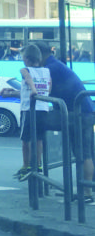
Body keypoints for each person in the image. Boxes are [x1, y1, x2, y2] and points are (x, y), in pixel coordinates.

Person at [36, 41, 95, 204]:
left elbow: (41, 91)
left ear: (40, 55)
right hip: (83, 112)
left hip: (79, 114)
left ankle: (88, 193)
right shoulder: (55, 65)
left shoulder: (50, 68)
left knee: (84, 154)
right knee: (83, 153)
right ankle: (85, 191)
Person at [0, 44, 51, 182]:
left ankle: (26, 166)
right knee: (39, 139)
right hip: (43, 109)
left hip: (28, 110)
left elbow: (27, 78)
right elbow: (49, 86)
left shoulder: (25, 70)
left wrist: (33, 89)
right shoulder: (46, 71)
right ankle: (38, 164)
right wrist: (12, 93)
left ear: (27, 59)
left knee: (25, 140)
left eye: (23, 58)